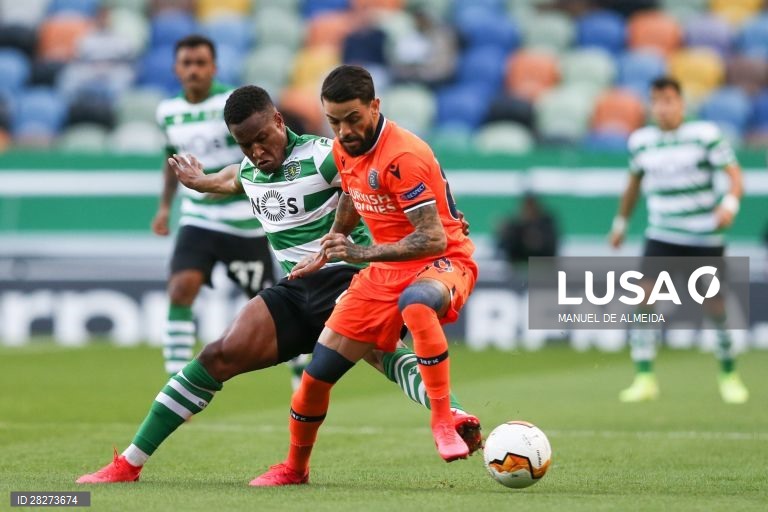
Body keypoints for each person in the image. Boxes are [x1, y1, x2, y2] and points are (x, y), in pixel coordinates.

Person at [75, 85, 481, 485]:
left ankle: (455, 416)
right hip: (296, 287)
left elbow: (359, 186)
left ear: (279, 122)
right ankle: (128, 463)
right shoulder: (251, 169)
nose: (256, 151)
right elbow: (233, 178)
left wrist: (346, 246)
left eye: (262, 138)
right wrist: (200, 181)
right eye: (245, 144)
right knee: (218, 354)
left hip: (349, 276)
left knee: (381, 351)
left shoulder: (323, 155)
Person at [250, 65, 479, 487]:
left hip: (442, 261)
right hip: (383, 272)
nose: (344, 131)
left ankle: (443, 421)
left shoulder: (403, 156)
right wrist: (331, 242)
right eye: (334, 121)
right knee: (315, 378)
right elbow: (352, 198)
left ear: (375, 106)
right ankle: (294, 469)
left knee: (417, 304)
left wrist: (360, 251)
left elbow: (430, 239)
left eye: (353, 119)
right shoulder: (343, 147)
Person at [152, 35, 306, 387]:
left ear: (214, 67)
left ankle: (302, 372)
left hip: (243, 223)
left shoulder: (231, 106)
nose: (193, 70)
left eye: (200, 63)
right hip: (198, 219)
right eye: (187, 63)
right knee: (180, 289)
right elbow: (170, 160)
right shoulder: (167, 112)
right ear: (177, 68)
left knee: (275, 309)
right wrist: (164, 207)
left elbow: (260, 152)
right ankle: (176, 381)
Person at [609, 76, 749, 404]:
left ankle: (729, 373)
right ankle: (644, 377)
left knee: (715, 305)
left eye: (669, 100)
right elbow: (633, 186)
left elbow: (735, 176)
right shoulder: (641, 141)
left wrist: (729, 204)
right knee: (643, 300)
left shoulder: (705, 136)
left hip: (704, 236)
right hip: (662, 235)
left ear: (681, 104)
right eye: (656, 101)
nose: (662, 107)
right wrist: (620, 223)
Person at [497, 192, 558, 266]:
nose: (529, 210)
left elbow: (550, 250)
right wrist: (504, 234)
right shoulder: (515, 226)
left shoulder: (546, 226)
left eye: (531, 206)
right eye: (526, 207)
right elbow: (504, 249)